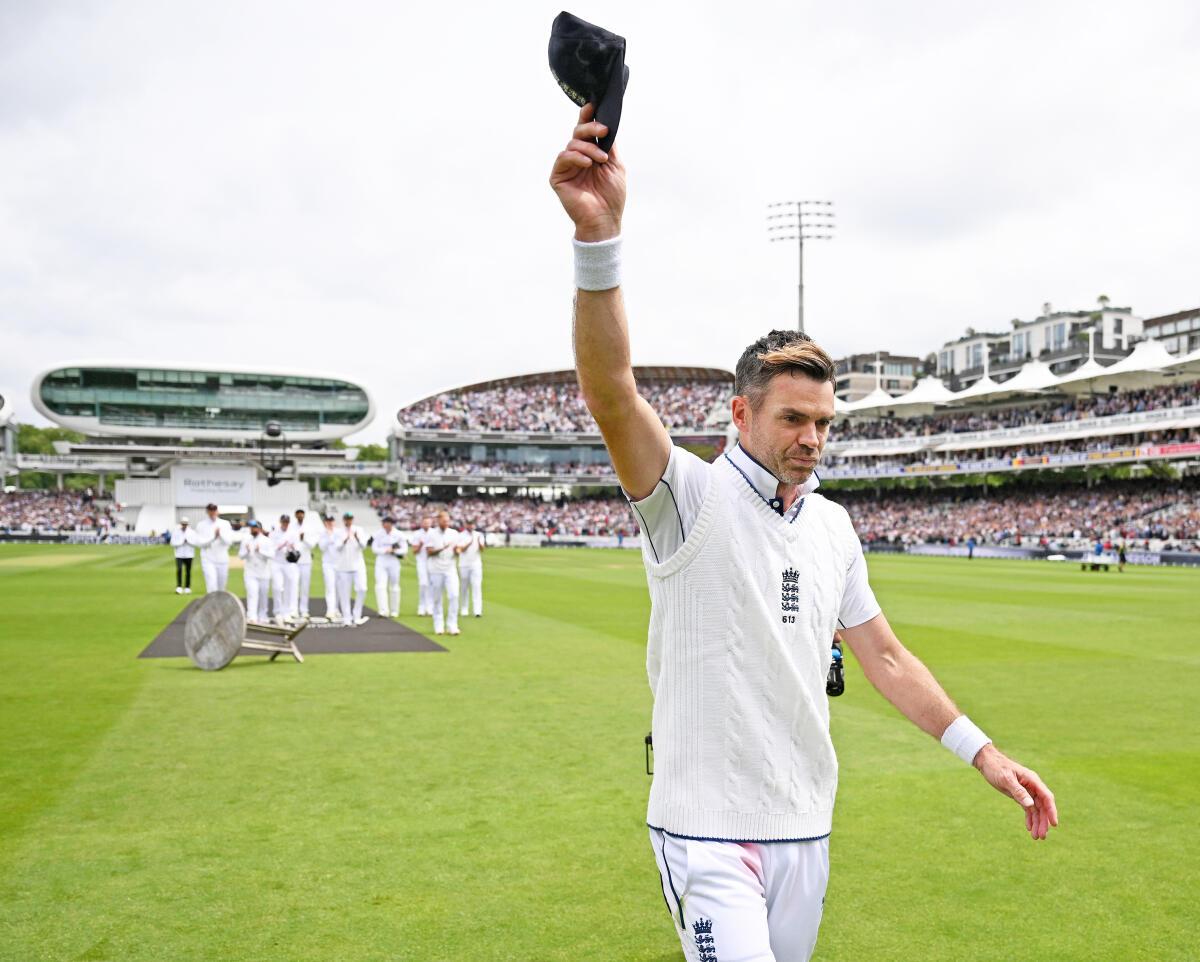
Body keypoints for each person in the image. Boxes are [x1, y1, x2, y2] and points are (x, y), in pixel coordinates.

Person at [550, 103, 1057, 962]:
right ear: (741, 413)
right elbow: (611, 392)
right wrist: (600, 240)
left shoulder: (833, 526)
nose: (813, 438)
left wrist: (984, 754)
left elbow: (886, 658)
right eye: (794, 418)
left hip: (804, 826)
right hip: (705, 832)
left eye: (825, 421)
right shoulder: (689, 497)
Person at [424, 510, 461, 636]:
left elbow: (457, 549)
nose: (446, 523)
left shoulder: (454, 534)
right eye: (444, 521)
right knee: (437, 598)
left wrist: (458, 551)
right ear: (438, 521)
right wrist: (441, 549)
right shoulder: (431, 534)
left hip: (450, 569)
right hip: (435, 570)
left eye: (448, 521)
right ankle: (438, 625)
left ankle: (452, 625)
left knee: (454, 595)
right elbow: (429, 552)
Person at [334, 511, 369, 626]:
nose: (348, 521)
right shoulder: (338, 531)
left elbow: (364, 545)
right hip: (343, 566)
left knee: (362, 588)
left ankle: (356, 615)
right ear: (344, 520)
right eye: (346, 519)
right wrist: (345, 539)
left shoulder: (359, 530)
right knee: (344, 593)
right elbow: (337, 547)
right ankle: (347, 618)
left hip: (358, 565)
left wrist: (357, 538)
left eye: (350, 519)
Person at [371, 516, 407, 618]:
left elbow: (404, 549)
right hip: (381, 561)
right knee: (380, 585)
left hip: (393, 561)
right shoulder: (378, 534)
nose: (384, 525)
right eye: (384, 523)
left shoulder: (399, 535)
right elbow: (374, 548)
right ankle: (383, 610)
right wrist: (385, 550)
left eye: (386, 523)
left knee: (394, 586)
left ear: (391, 524)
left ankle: (394, 610)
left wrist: (395, 551)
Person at [193, 503, 234, 593]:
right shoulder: (201, 525)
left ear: (217, 511)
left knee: (222, 587)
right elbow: (199, 543)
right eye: (210, 510)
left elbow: (229, 542)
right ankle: (211, 606)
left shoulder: (225, 524)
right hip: (208, 559)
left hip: (222, 559)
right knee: (211, 585)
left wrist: (220, 535)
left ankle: (220, 606)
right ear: (207, 511)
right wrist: (213, 538)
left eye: (214, 510)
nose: (212, 512)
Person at [268, 514, 301, 623]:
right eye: (283, 522)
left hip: (288, 563)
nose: (285, 524)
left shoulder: (292, 533)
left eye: (287, 522)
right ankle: (278, 611)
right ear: (280, 522)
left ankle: (287, 611)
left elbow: (297, 548)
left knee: (289, 587)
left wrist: (292, 547)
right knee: (277, 587)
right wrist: (281, 546)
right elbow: (270, 549)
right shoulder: (274, 533)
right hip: (276, 562)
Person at [238, 519, 272, 622]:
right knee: (252, 594)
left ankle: (263, 615)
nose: (252, 529)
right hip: (250, 572)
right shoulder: (246, 540)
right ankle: (251, 616)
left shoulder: (266, 541)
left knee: (263, 595)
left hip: (264, 573)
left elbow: (271, 555)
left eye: (254, 527)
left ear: (259, 529)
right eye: (251, 527)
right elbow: (240, 556)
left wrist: (260, 550)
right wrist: (247, 551)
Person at [458, 520, 486, 618]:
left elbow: (482, 549)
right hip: (464, 564)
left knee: (476, 586)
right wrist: (469, 544)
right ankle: (464, 608)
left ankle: (477, 610)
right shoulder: (461, 535)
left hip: (476, 564)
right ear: (466, 525)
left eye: (472, 524)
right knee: (464, 587)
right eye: (469, 524)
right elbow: (460, 549)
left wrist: (479, 543)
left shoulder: (479, 535)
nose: (470, 526)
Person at [317, 514, 342, 621]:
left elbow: (339, 546)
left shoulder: (339, 532)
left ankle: (336, 608)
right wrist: (329, 537)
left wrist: (331, 536)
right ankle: (330, 610)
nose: (329, 523)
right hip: (328, 563)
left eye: (331, 521)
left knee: (339, 588)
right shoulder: (322, 533)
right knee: (330, 586)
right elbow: (322, 547)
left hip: (339, 563)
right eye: (327, 521)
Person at [410, 516, 434, 616]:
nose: (426, 525)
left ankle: (430, 606)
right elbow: (414, 551)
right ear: (421, 523)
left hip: (432, 562)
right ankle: (421, 606)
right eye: (424, 523)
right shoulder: (417, 534)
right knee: (423, 584)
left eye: (428, 523)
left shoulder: (434, 533)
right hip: (421, 562)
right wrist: (420, 545)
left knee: (432, 585)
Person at [293, 508, 314, 618]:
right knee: (294, 586)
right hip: (294, 562)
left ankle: (304, 609)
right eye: (298, 514)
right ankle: (294, 609)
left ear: (304, 515)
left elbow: (312, 545)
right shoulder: (292, 527)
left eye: (302, 514)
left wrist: (304, 538)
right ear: (296, 515)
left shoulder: (309, 528)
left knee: (304, 587)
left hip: (306, 561)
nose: (300, 516)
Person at [170, 516, 196, 594]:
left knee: (188, 571)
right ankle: (179, 587)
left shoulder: (192, 532)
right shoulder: (176, 532)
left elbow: (195, 543)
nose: (184, 525)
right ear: (181, 524)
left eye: (185, 524)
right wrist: (181, 542)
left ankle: (187, 587)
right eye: (183, 524)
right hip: (179, 554)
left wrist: (188, 541)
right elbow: (172, 543)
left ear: (187, 524)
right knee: (179, 570)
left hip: (189, 554)